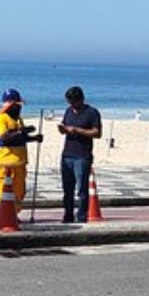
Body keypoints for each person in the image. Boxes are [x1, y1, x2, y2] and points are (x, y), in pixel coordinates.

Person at [0, 88, 42, 215]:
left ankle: (13, 214)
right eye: (16, 105)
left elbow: (20, 138)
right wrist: (21, 132)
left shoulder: (18, 120)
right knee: (1, 190)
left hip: (19, 162)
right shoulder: (1, 119)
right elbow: (4, 136)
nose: (19, 108)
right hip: (4, 162)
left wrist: (34, 138)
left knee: (18, 191)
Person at [58, 86, 102, 223]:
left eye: (73, 103)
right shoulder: (68, 111)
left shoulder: (92, 113)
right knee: (67, 189)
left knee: (82, 190)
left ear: (81, 100)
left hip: (82, 155)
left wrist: (77, 130)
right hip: (67, 154)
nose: (71, 106)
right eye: (69, 103)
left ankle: (82, 216)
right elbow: (65, 127)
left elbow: (97, 133)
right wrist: (63, 129)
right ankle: (68, 215)